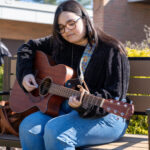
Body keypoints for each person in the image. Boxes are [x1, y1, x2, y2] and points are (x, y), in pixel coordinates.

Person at [16, 0, 131, 149]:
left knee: (56, 132)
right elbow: (27, 47)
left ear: (84, 18)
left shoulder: (111, 50)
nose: (67, 31)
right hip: (66, 108)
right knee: (29, 128)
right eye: (61, 28)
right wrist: (25, 74)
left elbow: (114, 95)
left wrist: (83, 105)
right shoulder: (60, 44)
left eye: (71, 23)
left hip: (109, 114)